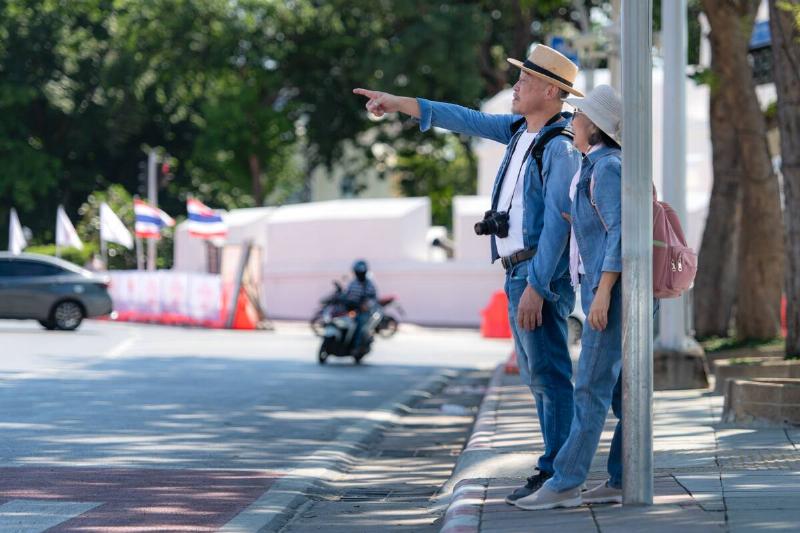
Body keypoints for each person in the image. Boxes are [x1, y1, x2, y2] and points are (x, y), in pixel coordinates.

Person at [354, 44, 582, 501]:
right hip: (518, 272)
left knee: (551, 375)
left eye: (526, 79)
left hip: (538, 274)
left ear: (553, 91)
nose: (516, 86)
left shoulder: (558, 146)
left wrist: (537, 283)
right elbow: (462, 118)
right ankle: (556, 469)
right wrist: (399, 103)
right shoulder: (520, 131)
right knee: (539, 376)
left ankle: (560, 475)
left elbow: (561, 221)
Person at [515, 85, 638, 510]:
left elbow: (621, 233)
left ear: (595, 127)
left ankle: (566, 481)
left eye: (579, 117)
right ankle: (623, 478)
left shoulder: (606, 167)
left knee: (588, 388)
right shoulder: (594, 165)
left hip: (613, 291)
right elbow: (598, 225)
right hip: (606, 289)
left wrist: (602, 293)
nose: (572, 122)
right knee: (623, 391)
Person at [343, 259, 377, 352]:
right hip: (351, 309)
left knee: (359, 325)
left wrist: (365, 306)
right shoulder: (353, 283)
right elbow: (347, 295)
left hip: (363, 312)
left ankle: (356, 347)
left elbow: (373, 299)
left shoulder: (369, 284)